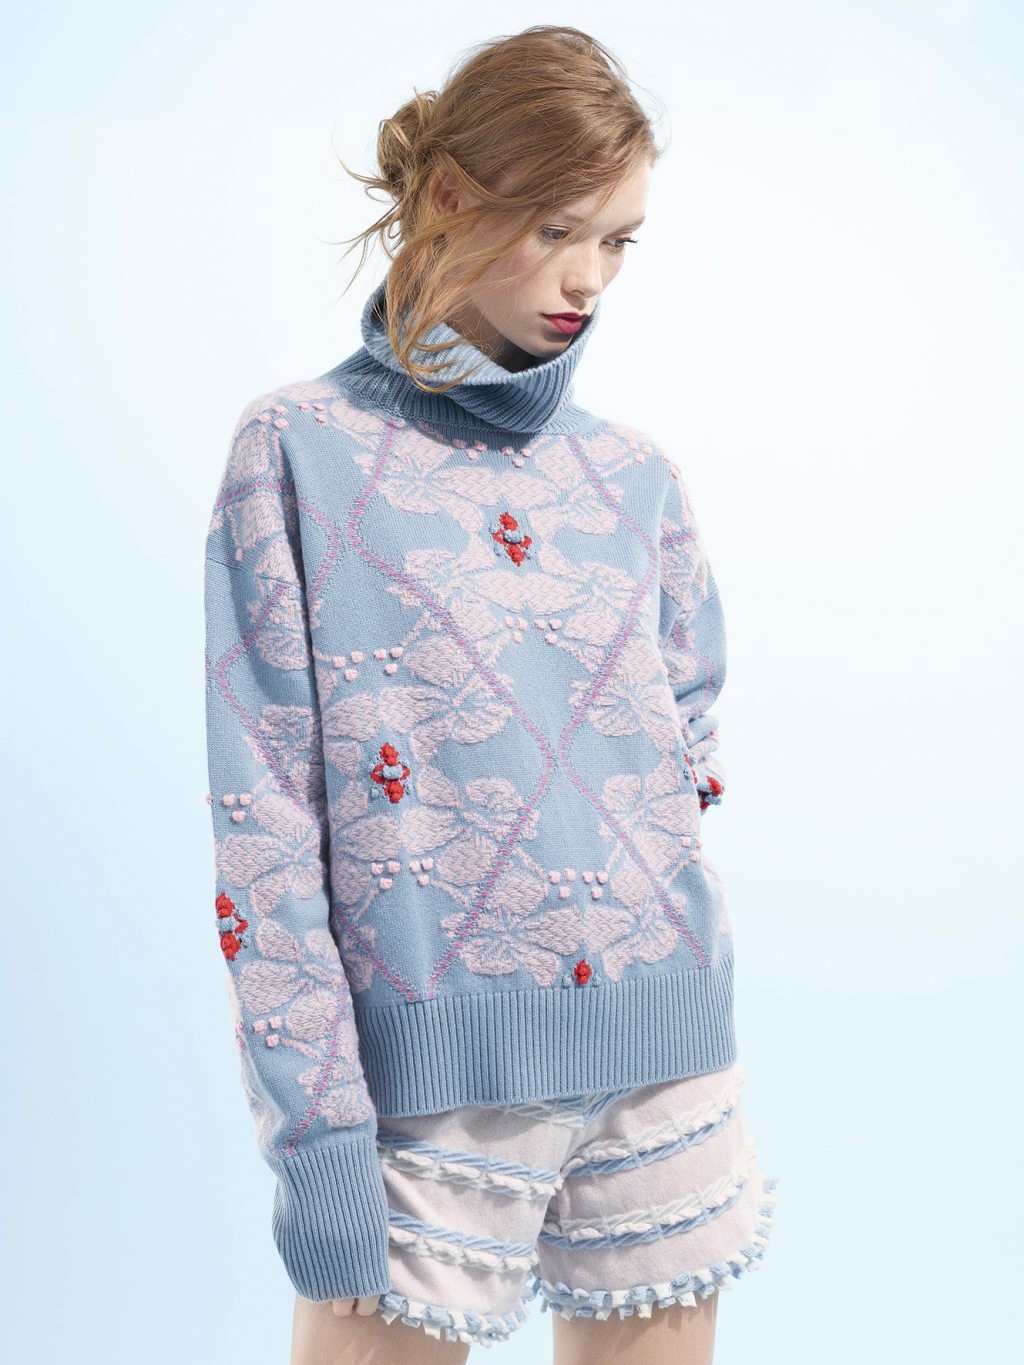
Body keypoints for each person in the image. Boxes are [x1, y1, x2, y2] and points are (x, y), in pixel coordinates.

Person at [203, 23, 778, 1364]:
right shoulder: (298, 450)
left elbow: (686, 733)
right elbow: (263, 827)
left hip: (663, 1054)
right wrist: (318, 1139)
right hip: (424, 1085)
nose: (591, 279)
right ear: (453, 197)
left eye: (621, 241)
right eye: (558, 230)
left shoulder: (633, 475)